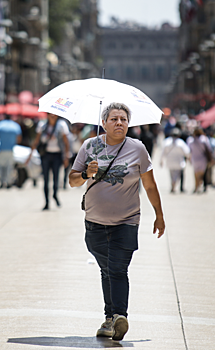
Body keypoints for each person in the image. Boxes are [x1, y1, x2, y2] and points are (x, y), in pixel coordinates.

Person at [69, 102, 165, 342]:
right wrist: (86, 174)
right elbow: (72, 180)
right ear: (104, 123)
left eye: (123, 119)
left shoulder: (138, 149)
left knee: (117, 269)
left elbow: (150, 185)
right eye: (114, 119)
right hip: (94, 222)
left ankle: (119, 315)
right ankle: (110, 319)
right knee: (106, 270)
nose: (119, 123)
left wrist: (159, 215)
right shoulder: (89, 146)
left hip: (127, 221)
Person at [27, 113, 70, 210]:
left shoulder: (61, 125)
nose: (52, 116)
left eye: (54, 115)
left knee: (56, 177)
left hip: (57, 155)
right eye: (50, 115)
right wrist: (30, 154)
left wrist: (66, 156)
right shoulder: (42, 125)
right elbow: (37, 140)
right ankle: (46, 201)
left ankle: (55, 194)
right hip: (45, 155)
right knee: (45, 179)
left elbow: (66, 142)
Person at [0, 114, 22, 189]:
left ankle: (2, 181)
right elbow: (19, 138)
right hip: (10, 149)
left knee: (1, 167)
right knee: (9, 167)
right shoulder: (15, 126)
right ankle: (9, 182)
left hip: (2, 149)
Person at [160, 127, 190, 193]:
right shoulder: (180, 142)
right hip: (179, 162)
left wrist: (161, 161)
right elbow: (187, 152)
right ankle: (174, 184)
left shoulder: (166, 141)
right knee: (177, 175)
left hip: (170, 161)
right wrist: (189, 158)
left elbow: (163, 152)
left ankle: (173, 185)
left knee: (172, 175)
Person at [187, 127, 212, 193]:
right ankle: (198, 185)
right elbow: (209, 149)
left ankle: (196, 186)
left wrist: (189, 158)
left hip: (194, 158)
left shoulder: (190, 140)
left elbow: (189, 150)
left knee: (196, 173)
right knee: (201, 174)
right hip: (202, 159)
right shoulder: (204, 139)